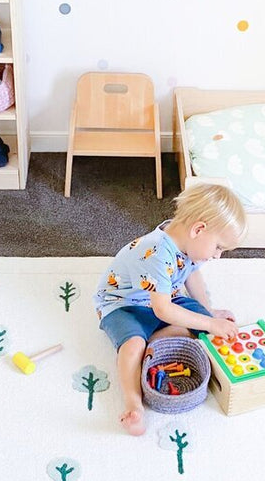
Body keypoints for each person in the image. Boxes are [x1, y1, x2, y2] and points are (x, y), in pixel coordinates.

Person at [93, 183, 247, 435]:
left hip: (163, 298)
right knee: (133, 346)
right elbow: (163, 311)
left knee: (202, 329)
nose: (218, 256)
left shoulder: (186, 240)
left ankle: (152, 343)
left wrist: (209, 312)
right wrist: (208, 323)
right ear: (199, 229)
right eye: (219, 247)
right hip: (123, 305)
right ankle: (134, 403)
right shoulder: (156, 252)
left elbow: (191, 276)